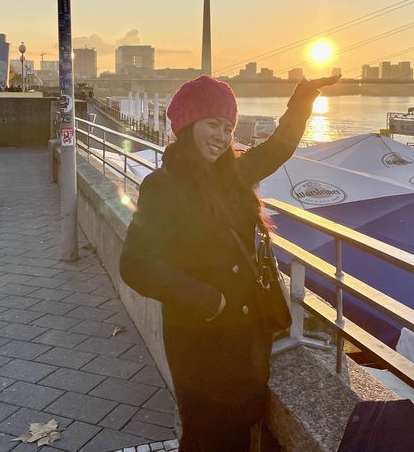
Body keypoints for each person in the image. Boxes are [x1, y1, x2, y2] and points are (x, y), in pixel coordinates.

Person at [120, 73, 341, 452]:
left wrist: (304, 96)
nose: (222, 136)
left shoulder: (234, 175)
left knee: (238, 432)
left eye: (228, 127)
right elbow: (136, 264)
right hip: (199, 340)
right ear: (187, 125)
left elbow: (279, 147)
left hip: (246, 338)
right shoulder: (162, 187)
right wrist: (206, 299)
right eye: (212, 124)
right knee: (206, 436)